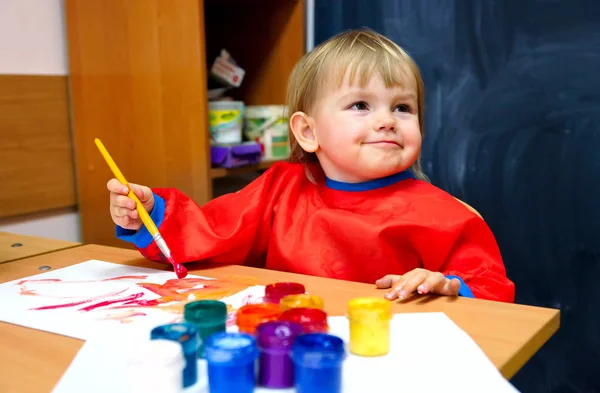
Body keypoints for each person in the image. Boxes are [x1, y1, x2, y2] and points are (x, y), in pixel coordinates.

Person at [107, 29, 515, 303]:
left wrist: (448, 286)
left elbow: (491, 285)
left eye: (403, 107)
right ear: (307, 132)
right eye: (360, 105)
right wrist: (148, 212)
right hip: (293, 343)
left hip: (386, 354)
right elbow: (211, 231)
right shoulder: (279, 189)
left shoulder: (442, 214)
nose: (387, 119)